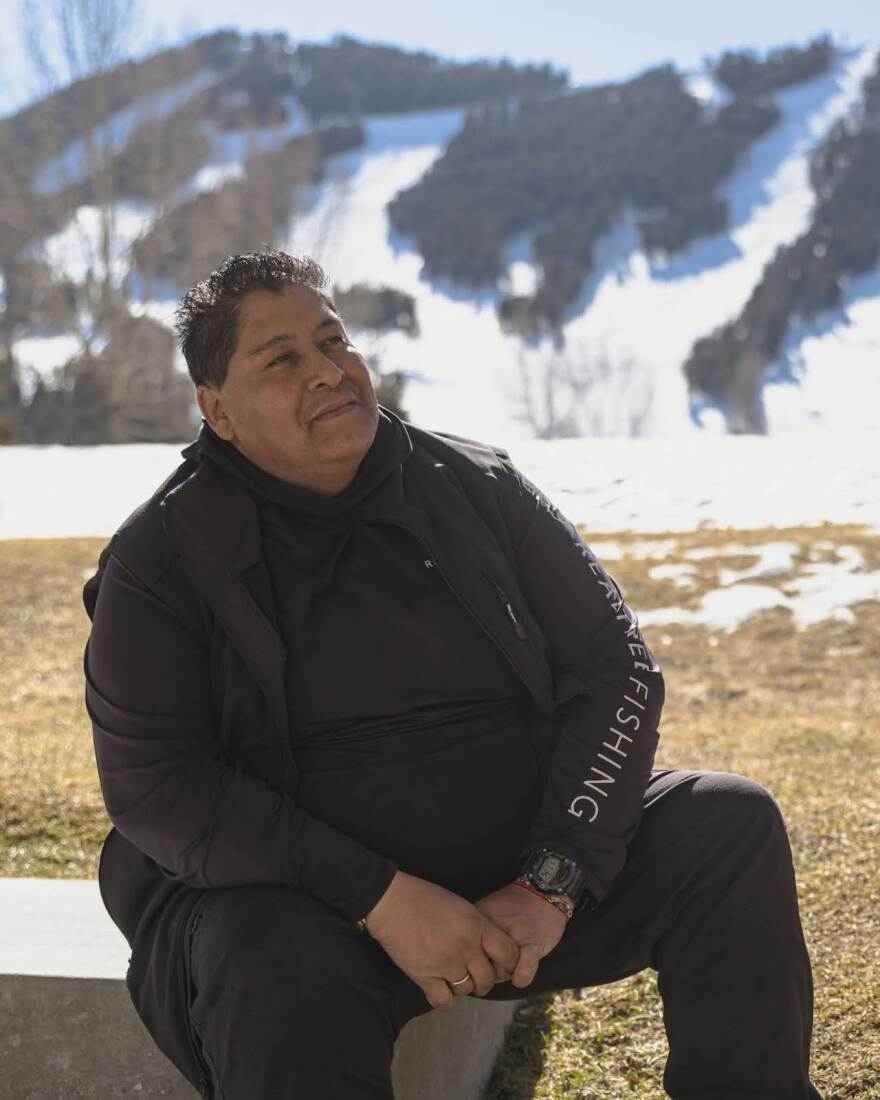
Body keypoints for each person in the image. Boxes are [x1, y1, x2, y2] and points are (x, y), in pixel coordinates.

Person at [83, 249, 822, 1099]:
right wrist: (384, 899)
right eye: (282, 359)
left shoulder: (478, 487)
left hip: (519, 889)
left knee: (728, 826)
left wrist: (553, 879)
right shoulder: (161, 561)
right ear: (217, 410)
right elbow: (158, 791)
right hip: (317, 916)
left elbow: (616, 670)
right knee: (261, 954)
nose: (327, 372)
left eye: (334, 342)